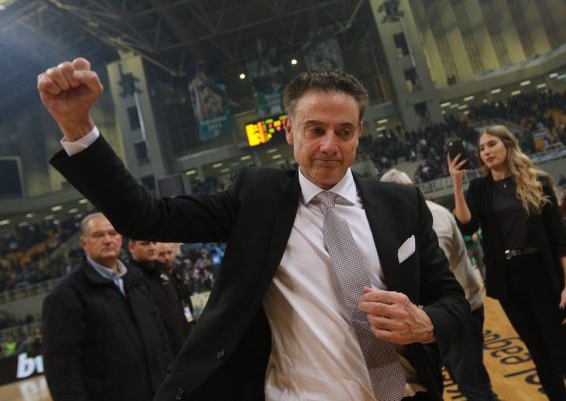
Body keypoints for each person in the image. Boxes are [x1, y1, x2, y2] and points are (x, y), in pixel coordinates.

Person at [38, 58, 469, 401]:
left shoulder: (402, 204)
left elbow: (452, 301)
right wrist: (78, 127)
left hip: (404, 393)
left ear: (359, 134)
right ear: (290, 131)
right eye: (315, 129)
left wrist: (425, 322)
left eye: (343, 131)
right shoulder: (256, 198)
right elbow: (145, 217)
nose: (329, 145)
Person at [448, 125, 566, 401]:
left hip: (544, 275)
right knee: (541, 357)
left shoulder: (537, 181)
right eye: (481, 148)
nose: (486, 151)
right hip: (509, 282)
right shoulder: (480, 188)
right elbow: (467, 227)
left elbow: (559, 239)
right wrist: (457, 186)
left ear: (508, 145)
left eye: (492, 144)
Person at [381, 169, 497, 401]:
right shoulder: (406, 217)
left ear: (412, 188)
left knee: (472, 384)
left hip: (458, 312)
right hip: (439, 313)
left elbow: (432, 273)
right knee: (460, 378)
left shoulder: (433, 216)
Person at [41, 213, 172, 401]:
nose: (108, 240)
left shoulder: (137, 279)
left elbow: (160, 336)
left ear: (121, 239)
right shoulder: (65, 294)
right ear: (84, 243)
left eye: (113, 234)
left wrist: (169, 382)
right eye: (98, 235)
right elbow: (61, 367)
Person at [129, 239, 191, 358]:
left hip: (184, 350)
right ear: (131, 247)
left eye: (154, 242)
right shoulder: (131, 280)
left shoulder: (165, 274)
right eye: (145, 243)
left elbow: (179, 312)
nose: (152, 247)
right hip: (162, 358)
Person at [156, 242, 196, 325]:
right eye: (161, 254)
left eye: (169, 252)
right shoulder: (156, 281)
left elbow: (185, 299)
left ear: (174, 254)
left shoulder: (178, 275)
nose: (167, 257)